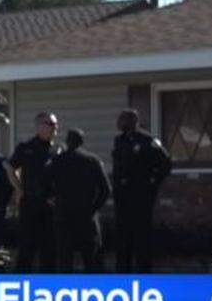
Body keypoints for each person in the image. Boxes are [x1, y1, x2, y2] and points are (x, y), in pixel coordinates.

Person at [112, 109, 173, 273]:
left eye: (123, 120)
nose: (119, 124)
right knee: (123, 238)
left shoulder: (148, 140)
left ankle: (144, 273)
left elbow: (166, 163)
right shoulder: (119, 140)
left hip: (141, 198)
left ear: (132, 121)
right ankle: (122, 274)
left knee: (141, 238)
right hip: (123, 198)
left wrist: (152, 183)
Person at [45, 128, 110, 273]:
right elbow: (106, 190)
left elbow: (43, 184)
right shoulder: (93, 161)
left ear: (67, 142)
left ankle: (66, 290)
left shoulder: (56, 161)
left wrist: (53, 200)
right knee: (91, 259)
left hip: (64, 215)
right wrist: (93, 208)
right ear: (82, 142)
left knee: (64, 259)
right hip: (86, 215)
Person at [9, 112, 61, 272]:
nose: (54, 128)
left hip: (49, 206)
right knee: (26, 249)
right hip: (30, 204)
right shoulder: (26, 148)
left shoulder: (58, 150)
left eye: (55, 124)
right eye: (50, 124)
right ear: (39, 126)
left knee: (49, 250)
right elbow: (10, 168)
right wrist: (20, 189)